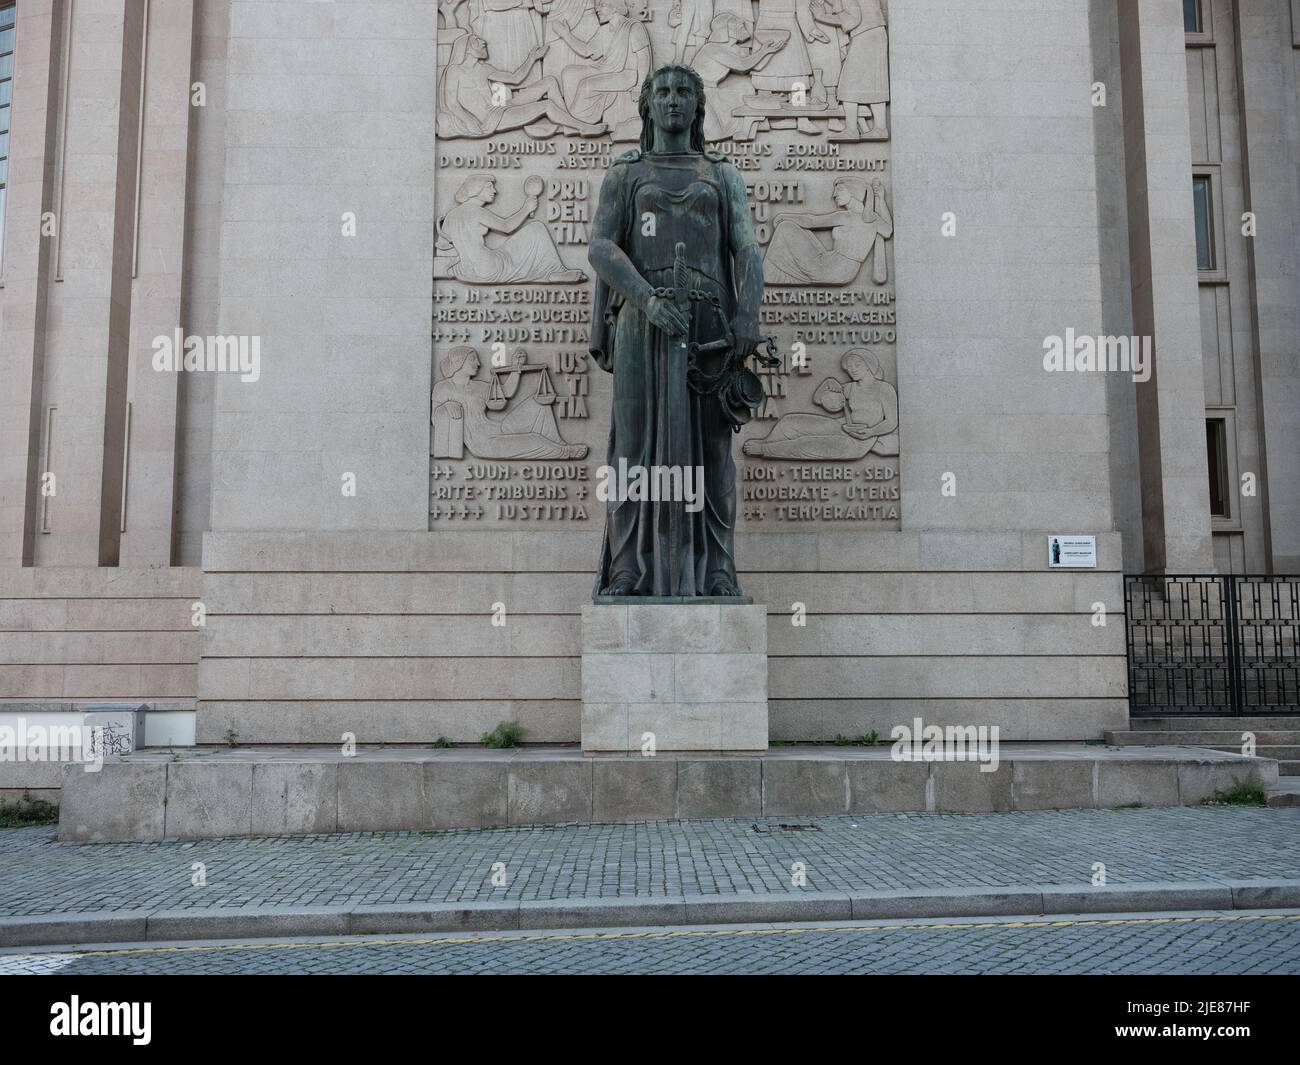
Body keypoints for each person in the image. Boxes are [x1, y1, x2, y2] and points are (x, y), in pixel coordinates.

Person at [588, 65, 768, 597]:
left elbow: (747, 248)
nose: (673, 100)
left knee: (713, 449)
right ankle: (629, 567)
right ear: (646, 105)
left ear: (697, 105)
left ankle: (716, 567)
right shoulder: (625, 173)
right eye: (662, 91)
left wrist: (747, 317)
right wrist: (646, 299)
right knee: (634, 447)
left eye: (683, 91)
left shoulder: (721, 174)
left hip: (708, 324)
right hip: (643, 325)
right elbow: (601, 246)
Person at [432, 346, 588, 460]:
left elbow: (506, 391)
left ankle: (557, 442)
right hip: (483, 443)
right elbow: (434, 418)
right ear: (459, 362)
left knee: (539, 403)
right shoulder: (443, 388)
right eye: (473, 359)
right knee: (533, 439)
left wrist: (516, 368)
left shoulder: (479, 386)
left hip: (498, 428)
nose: (478, 363)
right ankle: (564, 452)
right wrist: (445, 406)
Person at [743, 349, 898, 459]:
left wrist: (871, 432)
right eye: (849, 367)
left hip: (860, 440)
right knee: (790, 421)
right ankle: (768, 442)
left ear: (869, 365)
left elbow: (892, 421)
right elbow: (818, 400)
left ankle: (765, 449)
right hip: (843, 426)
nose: (852, 369)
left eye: (857, 365)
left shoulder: (884, 389)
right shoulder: (850, 388)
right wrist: (827, 383)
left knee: (808, 443)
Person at [434, 175, 585, 283]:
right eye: (489, 186)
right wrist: (526, 209)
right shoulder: (476, 211)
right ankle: (553, 271)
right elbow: (506, 227)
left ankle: (550, 272)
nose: (494, 190)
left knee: (508, 253)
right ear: (476, 190)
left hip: (464, 271)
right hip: (487, 268)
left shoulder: (451, 216)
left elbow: (443, 248)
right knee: (536, 228)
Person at [763, 176, 892, 285]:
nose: (834, 194)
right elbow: (888, 230)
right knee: (801, 231)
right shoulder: (874, 219)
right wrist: (880, 199)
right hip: (847, 273)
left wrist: (784, 217)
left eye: (840, 190)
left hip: (829, 269)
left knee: (786, 227)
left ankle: (766, 274)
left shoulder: (846, 216)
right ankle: (772, 275)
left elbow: (812, 221)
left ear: (853, 192)